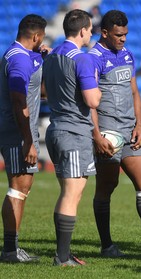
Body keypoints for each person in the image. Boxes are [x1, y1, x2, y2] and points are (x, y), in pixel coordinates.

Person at [88, 10, 141, 257]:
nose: (123, 39)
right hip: (108, 132)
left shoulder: (127, 54)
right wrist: (96, 135)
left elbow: (135, 92)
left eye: (126, 34)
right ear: (104, 33)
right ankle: (107, 246)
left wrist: (140, 125)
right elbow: (89, 102)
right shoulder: (92, 58)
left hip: (130, 130)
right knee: (107, 186)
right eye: (118, 35)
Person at [43, 9, 102, 266]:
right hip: (73, 132)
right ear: (82, 31)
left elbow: (44, 91)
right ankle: (62, 256)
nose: (92, 33)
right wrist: (97, 87)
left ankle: (63, 253)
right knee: (72, 193)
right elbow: (92, 100)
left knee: (69, 192)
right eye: (90, 29)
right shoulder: (83, 59)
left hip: (56, 128)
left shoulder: (53, 54)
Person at [0, 14, 47, 263]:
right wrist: (28, 140)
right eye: (43, 38)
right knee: (18, 188)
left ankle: (11, 248)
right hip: (19, 132)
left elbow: (36, 90)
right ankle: (9, 250)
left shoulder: (22, 55)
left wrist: (42, 57)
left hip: (20, 130)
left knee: (22, 188)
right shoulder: (19, 59)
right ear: (36, 36)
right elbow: (19, 101)